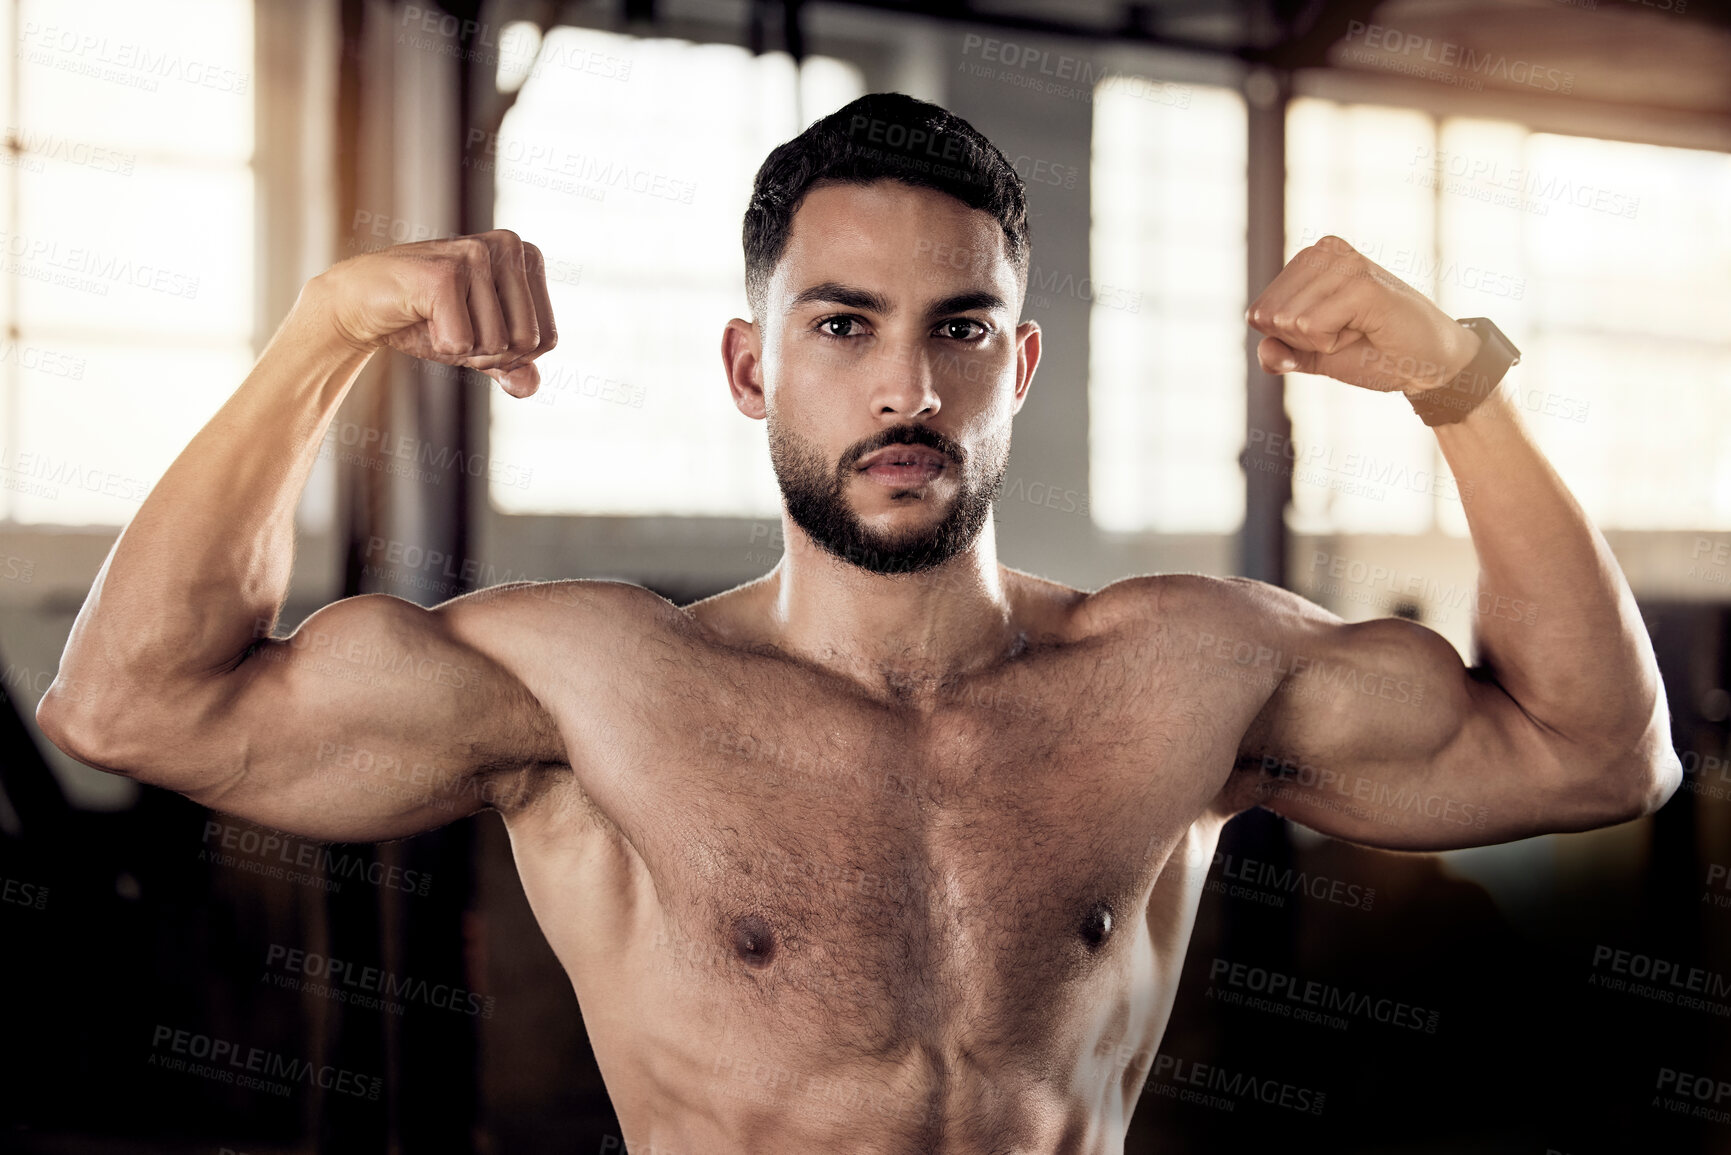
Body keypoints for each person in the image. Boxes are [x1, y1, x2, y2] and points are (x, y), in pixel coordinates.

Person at [36, 92, 1678, 1151]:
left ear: (1018, 368)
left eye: (963, 328)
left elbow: (1603, 752)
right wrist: (323, 330)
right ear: (754, 368)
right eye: (844, 325)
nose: (909, 385)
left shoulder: (1189, 673)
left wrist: (1462, 383)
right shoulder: (592, 685)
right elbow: (131, 708)